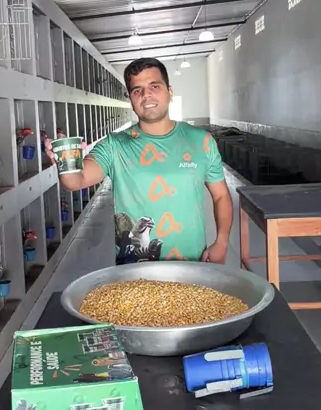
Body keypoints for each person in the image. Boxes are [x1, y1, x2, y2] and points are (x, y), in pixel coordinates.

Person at [47, 57, 233, 264]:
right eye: (137, 90)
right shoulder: (115, 145)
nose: (146, 95)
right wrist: (65, 157)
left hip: (193, 263)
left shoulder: (201, 141)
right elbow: (76, 181)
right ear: (131, 100)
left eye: (155, 86)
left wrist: (222, 241)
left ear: (169, 92)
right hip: (135, 269)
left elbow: (221, 195)